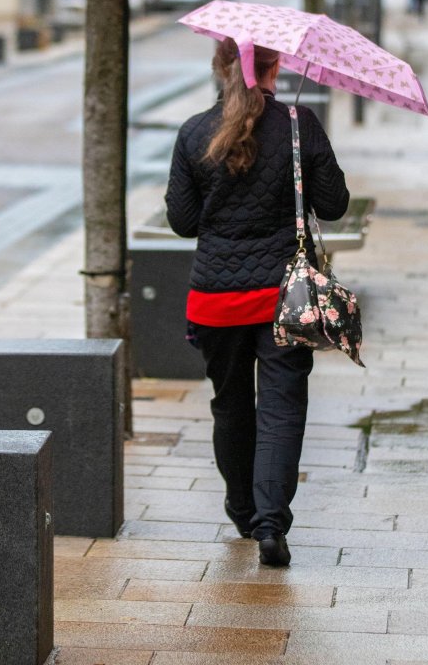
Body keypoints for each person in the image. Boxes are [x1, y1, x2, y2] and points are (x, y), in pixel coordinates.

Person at [165, 38, 349, 567]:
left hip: (215, 300)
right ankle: (271, 526)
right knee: (281, 408)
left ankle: (241, 508)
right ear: (276, 67)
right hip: (284, 300)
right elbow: (334, 205)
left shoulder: (194, 132)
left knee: (230, 402)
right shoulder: (299, 124)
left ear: (220, 69)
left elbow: (182, 221)